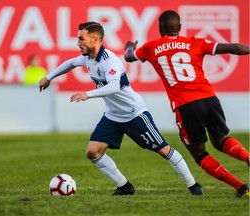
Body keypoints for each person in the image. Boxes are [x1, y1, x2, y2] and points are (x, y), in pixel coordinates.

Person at [39, 21, 203, 196]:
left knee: (163, 150)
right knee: (93, 152)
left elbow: (114, 86)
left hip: (134, 114)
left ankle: (193, 185)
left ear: (95, 40)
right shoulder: (88, 58)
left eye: (81, 39)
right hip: (113, 116)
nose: (78, 43)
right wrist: (49, 77)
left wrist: (88, 94)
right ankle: (125, 186)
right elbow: (71, 63)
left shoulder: (109, 61)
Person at [124, 10, 250, 198]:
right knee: (221, 139)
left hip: (186, 105)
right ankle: (248, 157)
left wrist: (129, 47)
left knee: (199, 153)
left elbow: (128, 56)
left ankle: (242, 187)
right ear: (180, 28)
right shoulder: (195, 42)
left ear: (159, 28)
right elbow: (234, 48)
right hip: (210, 99)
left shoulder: (151, 47)